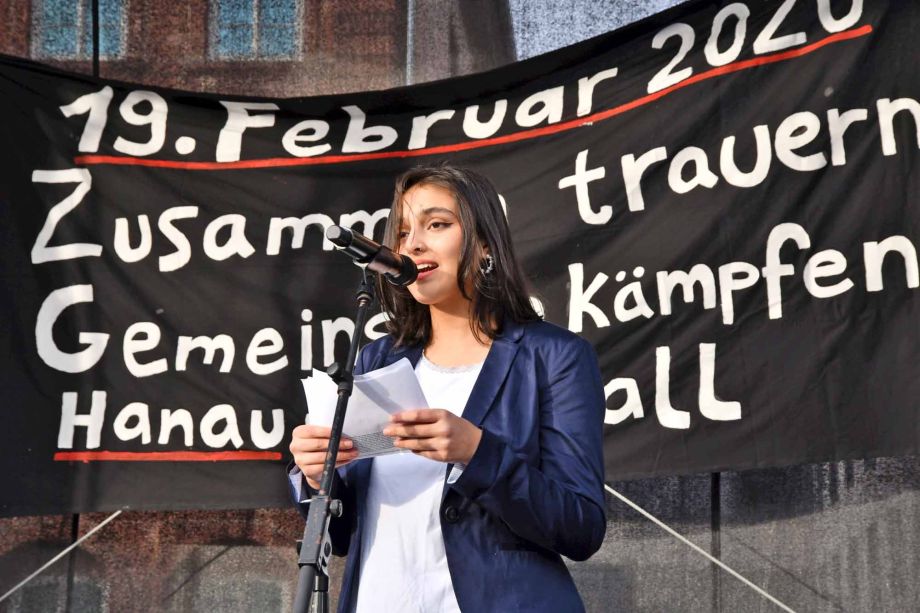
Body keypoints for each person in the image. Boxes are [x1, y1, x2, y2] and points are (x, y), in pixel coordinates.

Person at [288, 164, 606, 612]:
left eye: (436, 224)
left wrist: (478, 454)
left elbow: (581, 527)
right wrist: (317, 475)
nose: (412, 243)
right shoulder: (376, 359)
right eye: (401, 232)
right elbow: (339, 537)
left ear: (484, 244)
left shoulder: (553, 357)